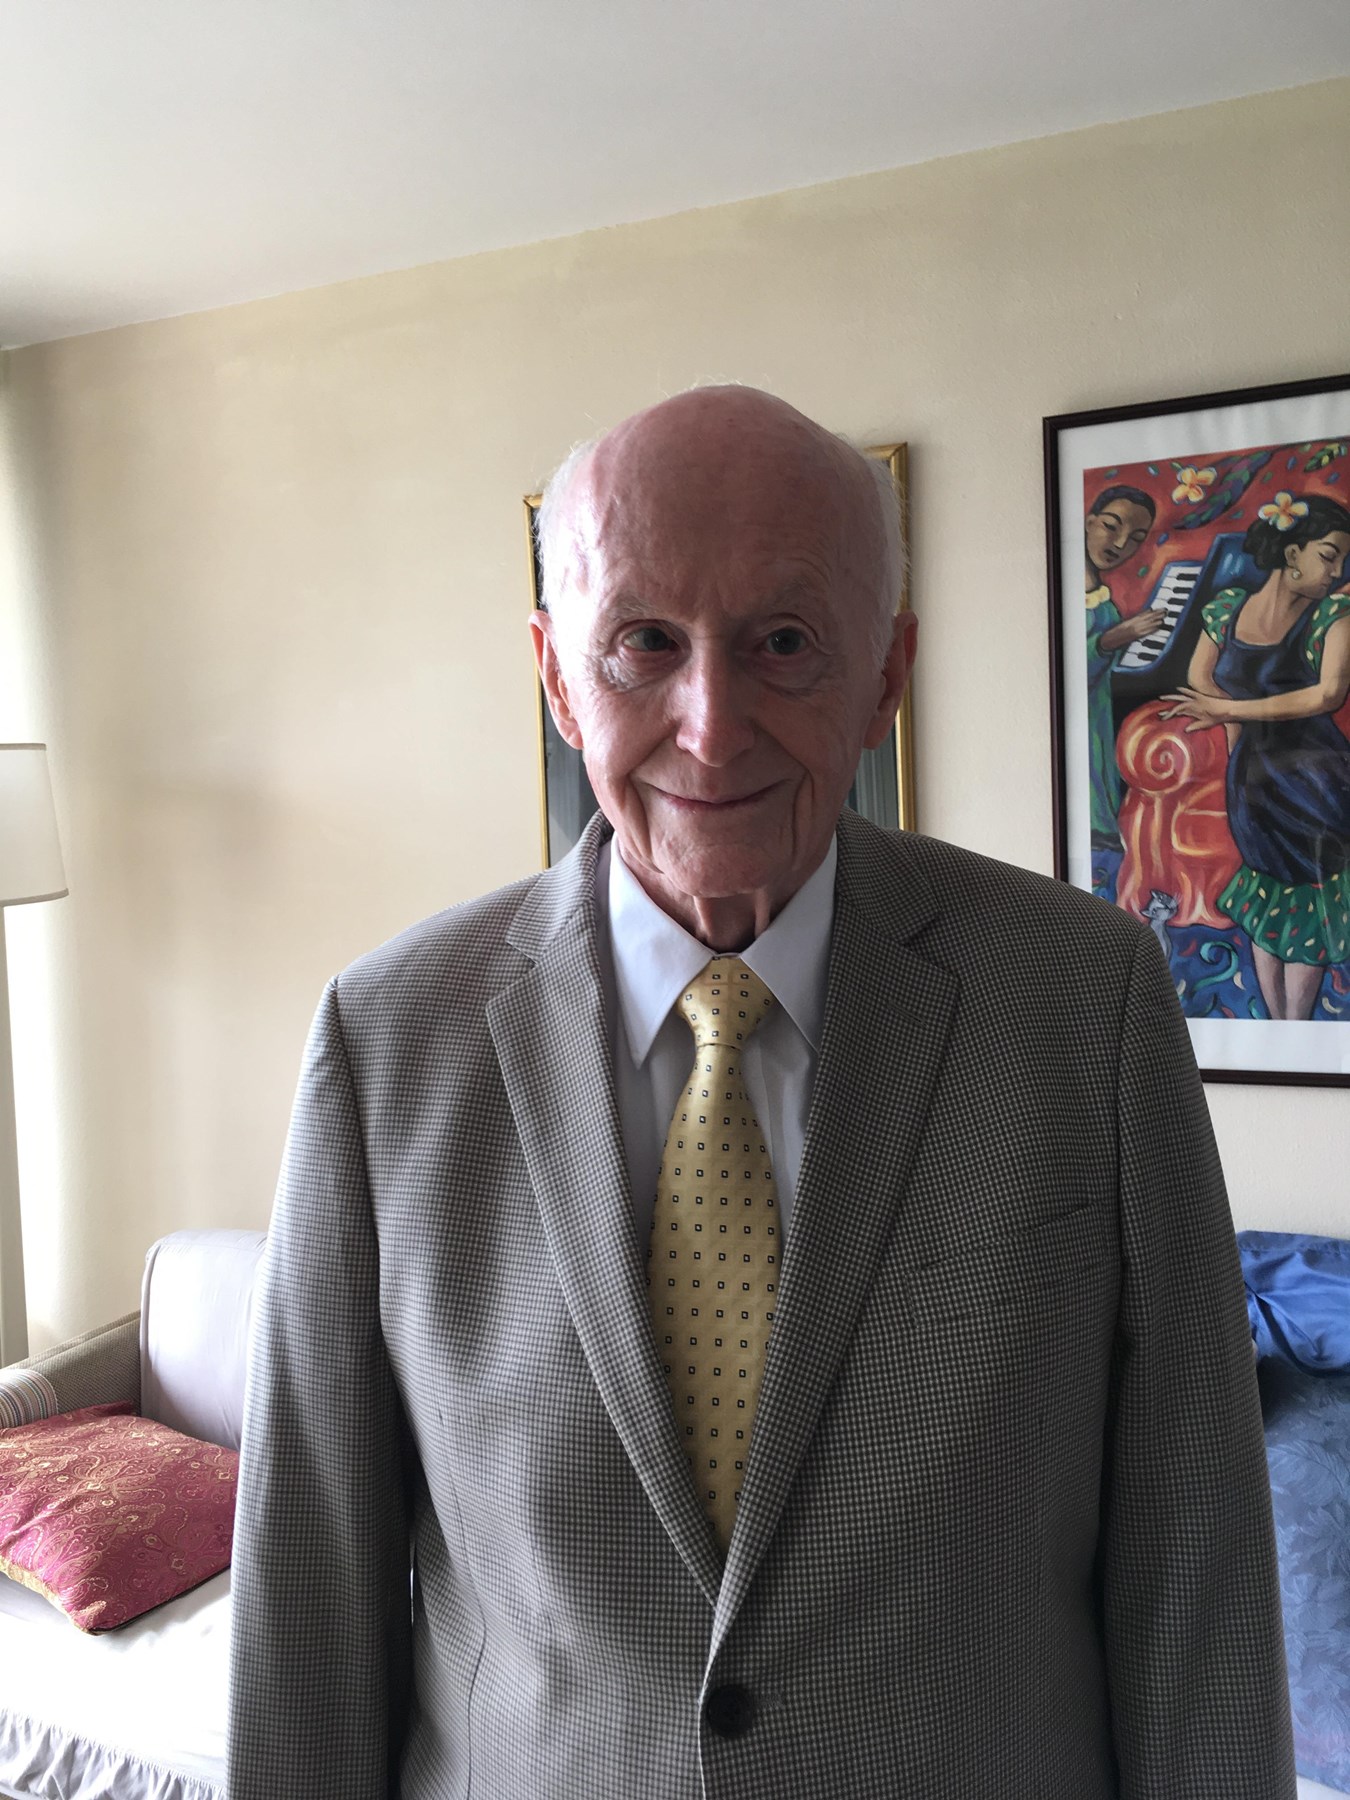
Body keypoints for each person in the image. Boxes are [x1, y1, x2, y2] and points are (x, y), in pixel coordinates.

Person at [228, 387, 1294, 1799]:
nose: (712, 727)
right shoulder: (385, 1041)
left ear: (886, 674)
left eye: (783, 642)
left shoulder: (1081, 1001)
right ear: (557, 677)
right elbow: (307, 1594)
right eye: (643, 644)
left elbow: (1196, 1564)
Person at [1162, 490, 1350, 1021]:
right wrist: (1230, 727)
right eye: (1329, 556)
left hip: (1318, 783)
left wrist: (1231, 712)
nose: (1337, 572)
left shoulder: (1333, 615)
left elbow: (1327, 695)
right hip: (1252, 780)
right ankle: (1276, 1024)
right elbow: (1198, 678)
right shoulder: (1226, 609)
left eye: (1341, 560)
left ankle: (1297, 1026)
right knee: (1269, 901)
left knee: (1310, 905)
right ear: (1292, 554)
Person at [1083, 485, 1163, 854]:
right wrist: (1116, 638)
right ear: (1089, 522)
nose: (1120, 543)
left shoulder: (1103, 602)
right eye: (1112, 526)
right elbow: (1071, 679)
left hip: (1101, 732)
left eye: (1136, 538)